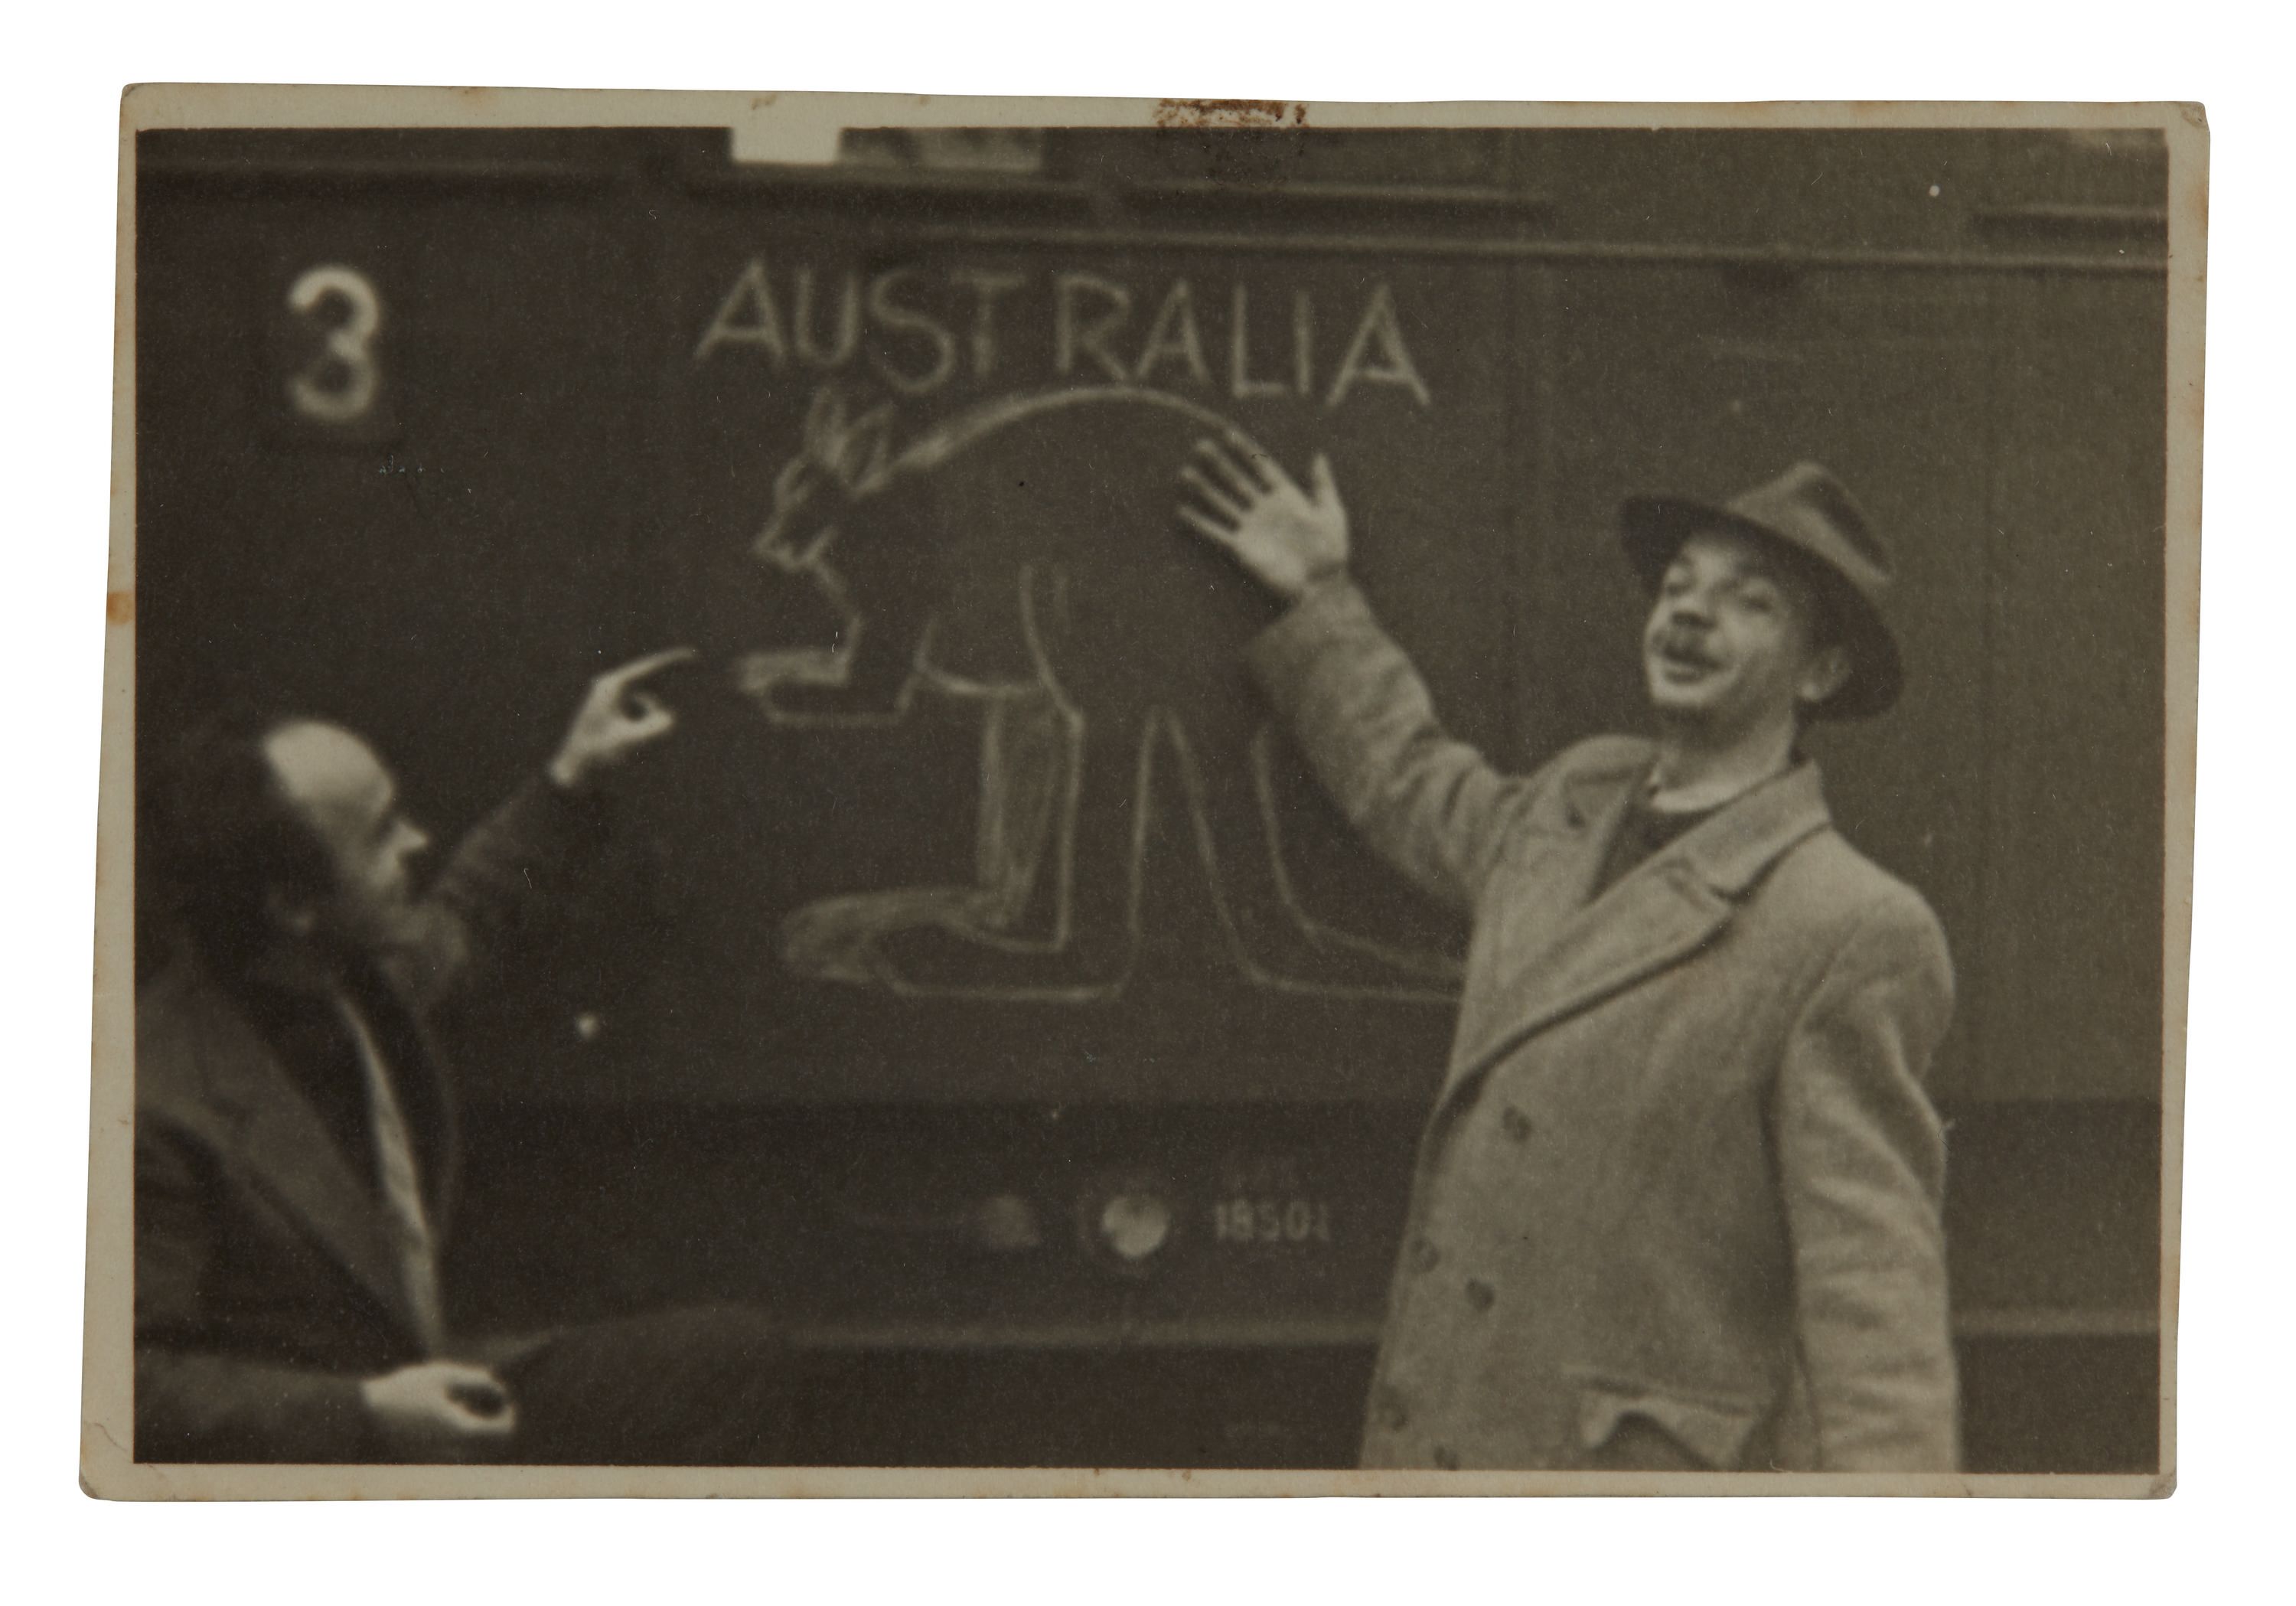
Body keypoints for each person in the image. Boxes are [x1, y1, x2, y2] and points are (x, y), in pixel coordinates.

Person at [1177, 448, 1958, 1472]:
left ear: (1820, 670)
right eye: (1677, 585)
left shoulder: (1850, 924)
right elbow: (1413, 784)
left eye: (1746, 601)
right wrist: (1321, 595)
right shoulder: (1573, 799)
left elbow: (1874, 1309)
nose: (1688, 614)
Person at [135, 648, 795, 1464]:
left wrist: (571, 775)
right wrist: (363, 1411)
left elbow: (471, 913)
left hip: (417, 1385)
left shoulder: (345, 978)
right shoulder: (155, 1102)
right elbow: (129, 1384)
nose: (418, 839)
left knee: (731, 1358)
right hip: (325, 1457)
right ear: (291, 904)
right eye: (380, 836)